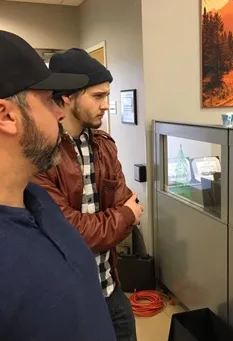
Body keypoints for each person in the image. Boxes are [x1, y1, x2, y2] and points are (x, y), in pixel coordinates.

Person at [0, 30, 118, 340]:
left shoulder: (37, 200)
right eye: (48, 100)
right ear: (6, 115)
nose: (59, 112)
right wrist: (125, 215)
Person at [33, 48, 143, 341]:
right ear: (67, 97)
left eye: (107, 96)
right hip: (67, 300)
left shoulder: (104, 144)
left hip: (110, 288)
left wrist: (120, 216)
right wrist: (123, 216)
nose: (106, 105)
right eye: (97, 96)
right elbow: (68, 232)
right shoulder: (41, 153)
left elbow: (127, 203)